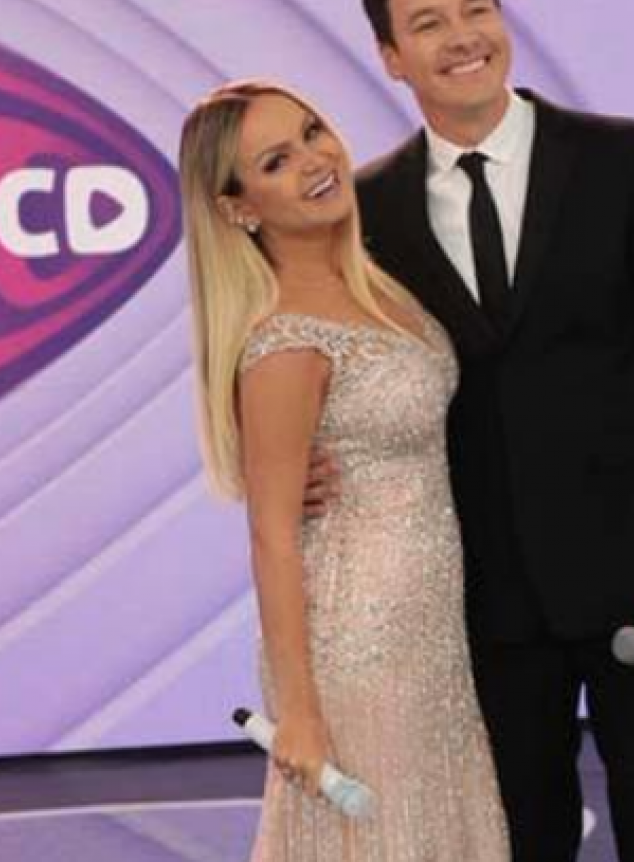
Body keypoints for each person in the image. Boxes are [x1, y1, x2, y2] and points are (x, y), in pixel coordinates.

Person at [352, 0, 634, 862]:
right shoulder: (370, 210)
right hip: (480, 598)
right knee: (516, 842)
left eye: (477, 9)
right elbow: (365, 385)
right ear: (391, 57)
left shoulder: (624, 159)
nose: (463, 37)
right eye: (428, 23)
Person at [179, 79, 509, 862]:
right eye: (275, 161)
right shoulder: (285, 342)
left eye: (312, 131)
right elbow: (272, 538)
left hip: (430, 639)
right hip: (357, 650)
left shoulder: (375, 281)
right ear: (238, 209)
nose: (313, 159)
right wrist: (297, 710)